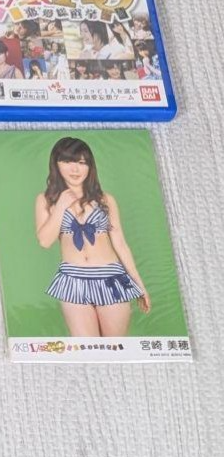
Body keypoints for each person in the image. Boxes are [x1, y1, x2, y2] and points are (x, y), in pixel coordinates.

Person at [35, 136, 150, 337]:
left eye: (82, 162)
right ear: (56, 164)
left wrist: (140, 285)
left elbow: (120, 244)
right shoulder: (46, 200)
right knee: (87, 348)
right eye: (68, 161)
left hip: (111, 278)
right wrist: (61, 205)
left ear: (90, 166)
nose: (75, 169)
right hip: (73, 280)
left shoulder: (106, 200)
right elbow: (45, 241)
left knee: (115, 348)